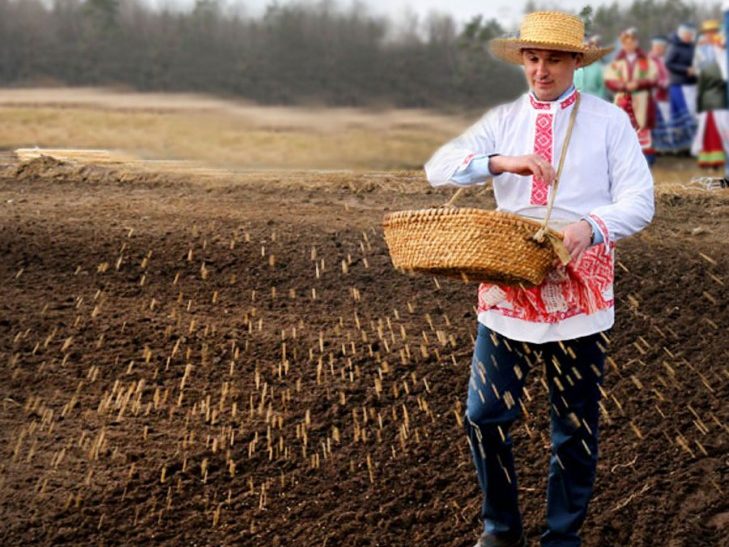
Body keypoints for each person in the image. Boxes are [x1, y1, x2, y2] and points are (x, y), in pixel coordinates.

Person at [424, 11, 655, 547]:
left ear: (577, 61)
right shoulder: (504, 120)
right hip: (508, 291)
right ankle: (501, 532)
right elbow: (438, 168)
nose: (541, 69)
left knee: (572, 430)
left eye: (554, 58)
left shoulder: (608, 121)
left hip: (581, 296)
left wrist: (590, 227)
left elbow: (640, 203)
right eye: (533, 58)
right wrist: (504, 163)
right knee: (483, 415)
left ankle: (561, 539)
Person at [604, 28, 660, 165]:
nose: (629, 45)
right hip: (623, 99)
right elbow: (609, 80)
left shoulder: (645, 61)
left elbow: (654, 79)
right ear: (622, 44)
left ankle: (645, 161)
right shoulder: (617, 63)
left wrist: (639, 83)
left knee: (642, 127)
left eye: (631, 42)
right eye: (626, 42)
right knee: (622, 127)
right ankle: (624, 160)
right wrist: (623, 85)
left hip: (641, 99)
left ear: (636, 43)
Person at [691, 19, 728, 172]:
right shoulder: (702, 51)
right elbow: (700, 71)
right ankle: (715, 163)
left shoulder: (724, 46)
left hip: (718, 94)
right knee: (714, 130)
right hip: (713, 94)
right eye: (708, 32)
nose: (711, 35)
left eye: (714, 31)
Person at [665, 23, 698, 150]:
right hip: (679, 84)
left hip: (690, 83)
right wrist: (685, 70)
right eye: (688, 34)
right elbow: (668, 63)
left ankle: (688, 143)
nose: (690, 36)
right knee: (683, 113)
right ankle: (680, 144)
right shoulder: (675, 46)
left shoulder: (691, 46)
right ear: (682, 34)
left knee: (689, 113)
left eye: (691, 34)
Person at [649, 36, 674, 153]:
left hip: (665, 95)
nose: (660, 50)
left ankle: (665, 145)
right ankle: (658, 145)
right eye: (658, 47)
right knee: (657, 121)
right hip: (655, 95)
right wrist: (663, 83)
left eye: (662, 48)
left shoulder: (663, 60)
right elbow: (650, 78)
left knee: (666, 120)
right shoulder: (649, 60)